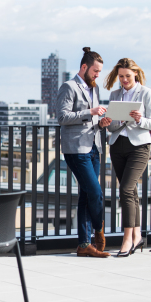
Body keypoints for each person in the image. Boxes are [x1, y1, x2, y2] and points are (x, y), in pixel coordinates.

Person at [99, 58, 151, 257]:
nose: (124, 80)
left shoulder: (146, 93)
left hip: (139, 146)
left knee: (125, 188)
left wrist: (140, 119)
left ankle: (127, 239)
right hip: (117, 145)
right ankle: (138, 236)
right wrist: (110, 121)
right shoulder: (115, 94)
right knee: (131, 192)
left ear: (136, 74)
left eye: (127, 76)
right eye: (121, 76)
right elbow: (114, 126)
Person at [57, 47, 110, 258]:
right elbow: (62, 117)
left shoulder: (94, 89)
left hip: (94, 146)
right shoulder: (68, 87)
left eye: (100, 72)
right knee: (96, 192)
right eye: (95, 71)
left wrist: (101, 123)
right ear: (84, 67)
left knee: (86, 195)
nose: (98, 75)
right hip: (76, 149)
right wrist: (90, 112)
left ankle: (83, 244)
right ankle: (98, 230)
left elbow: (92, 122)